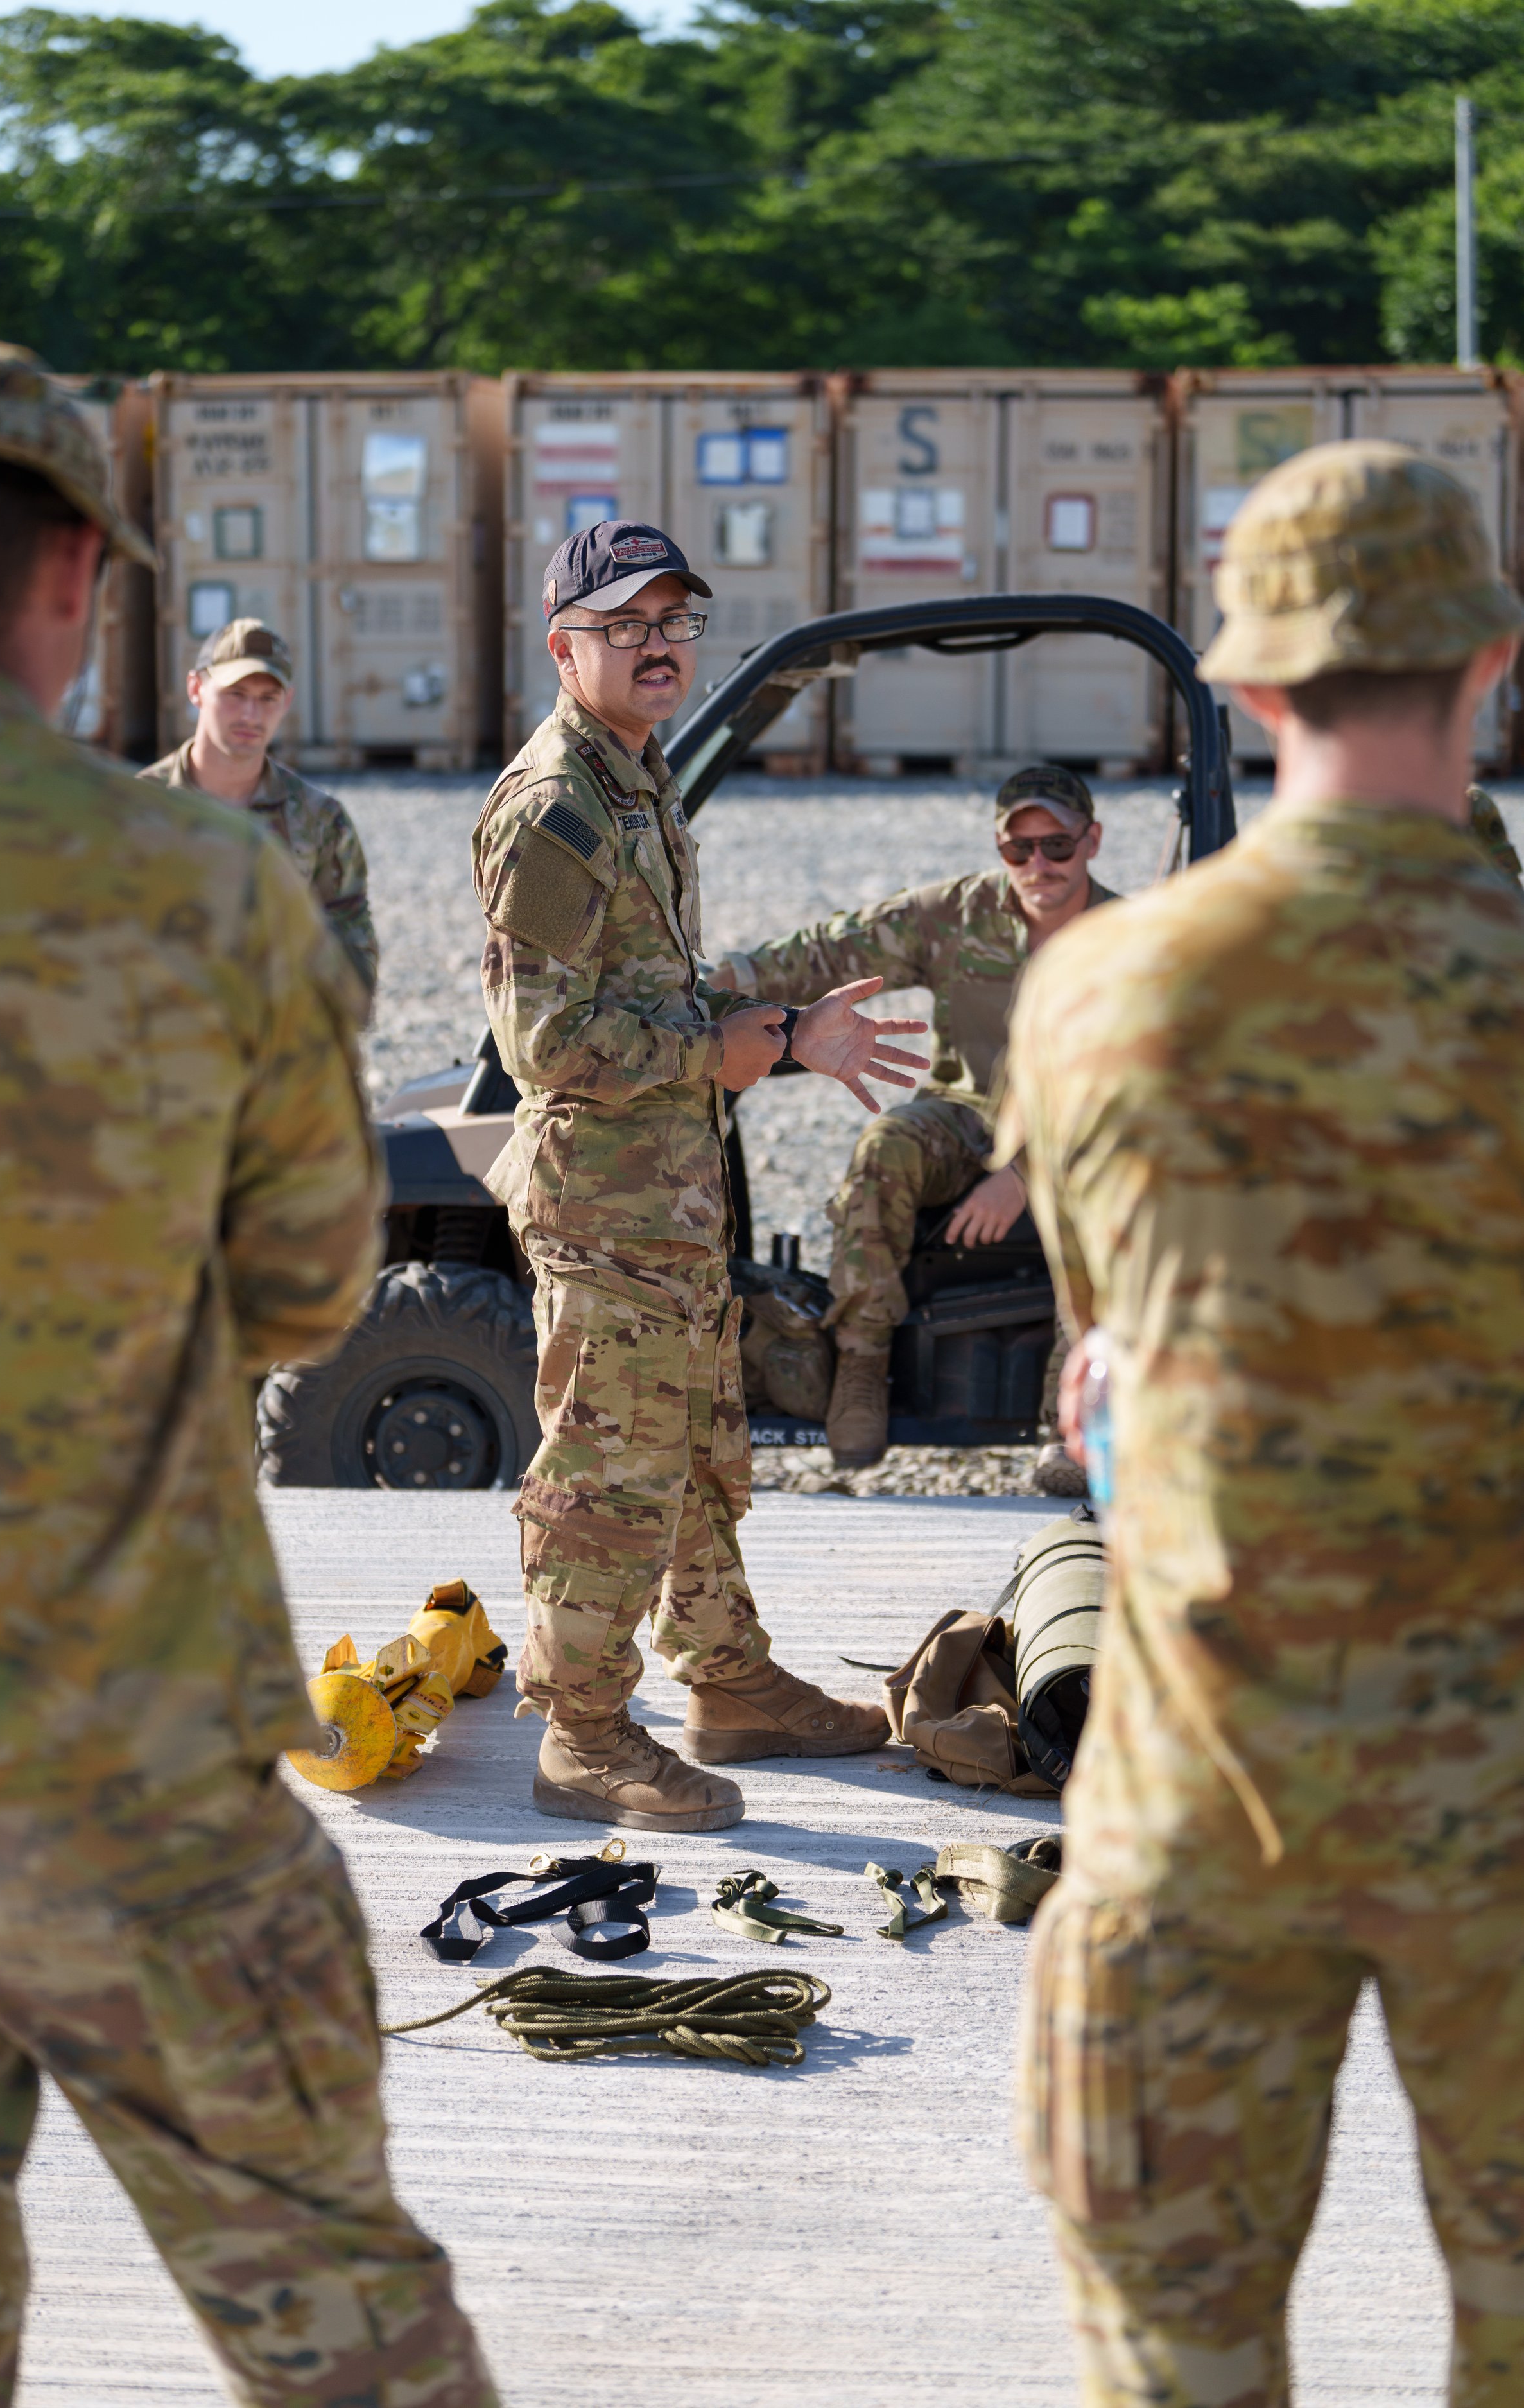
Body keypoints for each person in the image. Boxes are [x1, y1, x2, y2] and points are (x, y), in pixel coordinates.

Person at [0, 338, 494, 2407]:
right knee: (343, 2317)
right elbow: (309, 1285)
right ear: (81, 577)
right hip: (129, 1751)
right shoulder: (208, 893)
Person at [1000, 439, 1524, 2405]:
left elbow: (1101, 1351)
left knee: (1171, 2357)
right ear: (1485, 660)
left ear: (1239, 688)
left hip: (1200, 1800)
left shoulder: (1096, 996)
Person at [471, 520, 928, 1831]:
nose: (658, 646)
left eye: (673, 623)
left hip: (664, 1199)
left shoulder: (634, 774)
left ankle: (725, 1682)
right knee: (608, 1474)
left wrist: (785, 1037)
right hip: (601, 1204)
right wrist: (729, 1053)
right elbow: (542, 1042)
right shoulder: (554, 802)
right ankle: (583, 1737)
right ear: (565, 647)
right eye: (625, 627)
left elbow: (664, 994)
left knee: (691, 1448)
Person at [711, 765, 1116, 1474]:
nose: (1038, 865)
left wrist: (1021, 1175)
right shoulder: (959, 914)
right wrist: (718, 983)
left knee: (1117, 1195)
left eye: (1056, 846)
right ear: (999, 849)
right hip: (967, 1117)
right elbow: (837, 948)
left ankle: (1070, 1422)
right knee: (886, 1143)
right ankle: (862, 1369)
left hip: (1075, 1135)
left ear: (1091, 843)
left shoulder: (1127, 937)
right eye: (1018, 850)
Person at [141, 617, 378, 1013]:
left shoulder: (319, 820)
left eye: (268, 698)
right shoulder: (139, 807)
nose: (251, 714)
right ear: (196, 689)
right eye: (235, 693)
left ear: (286, 702)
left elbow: (352, 945)